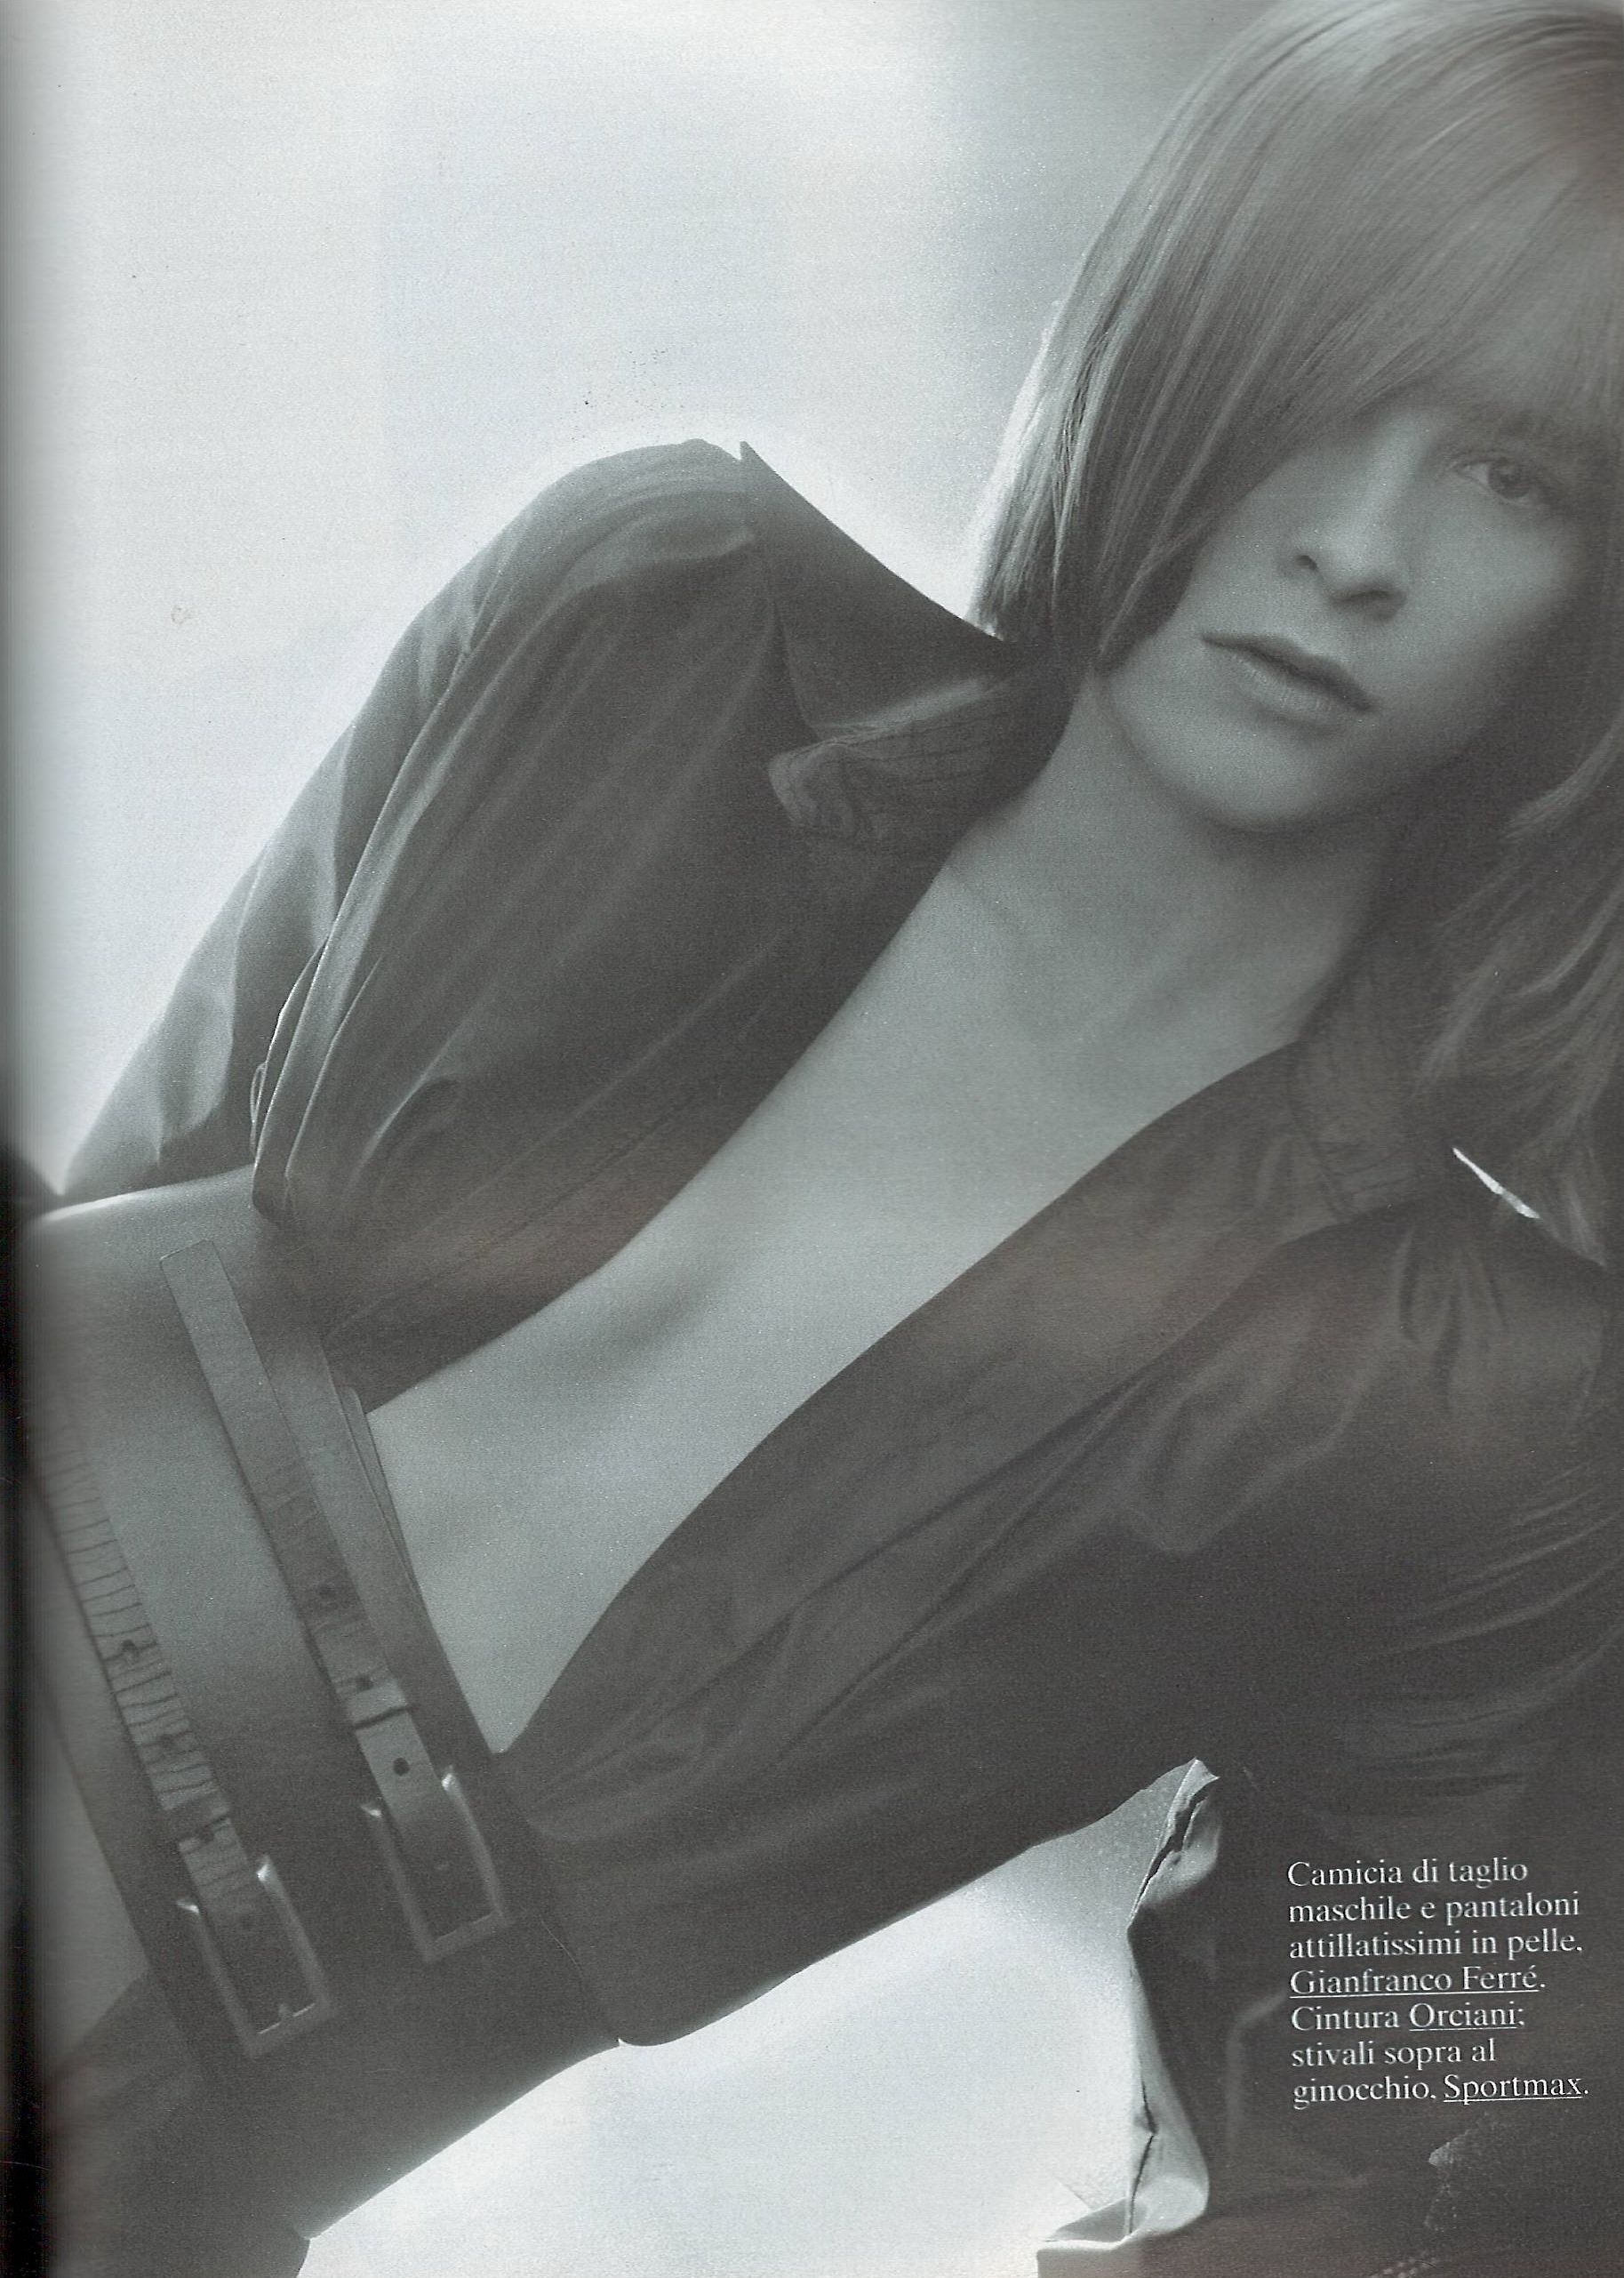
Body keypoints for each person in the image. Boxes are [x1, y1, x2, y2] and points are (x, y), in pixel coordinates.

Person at [32, 1, 1623, 2272]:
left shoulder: (1468, 1399)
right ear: (1174, 347)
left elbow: (1328, 2183)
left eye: (1514, 478)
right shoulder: (643, 615)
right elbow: (105, 1257)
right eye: (1312, 392)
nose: (1354, 548)